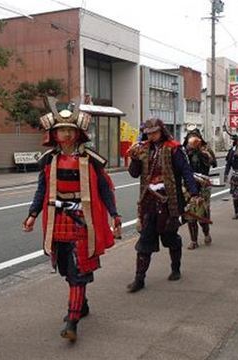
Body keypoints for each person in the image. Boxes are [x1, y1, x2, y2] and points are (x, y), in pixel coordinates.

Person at [23, 100, 121, 342]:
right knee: (68, 270)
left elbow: (104, 190)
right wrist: (32, 214)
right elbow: (41, 190)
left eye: (69, 130)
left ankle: (72, 321)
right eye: (61, 130)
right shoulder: (48, 160)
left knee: (78, 272)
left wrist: (115, 214)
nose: (65, 134)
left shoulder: (91, 160)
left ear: (78, 133)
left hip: (82, 222)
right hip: (57, 221)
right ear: (54, 134)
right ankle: (83, 304)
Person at [126, 118, 199, 293]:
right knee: (145, 240)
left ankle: (175, 268)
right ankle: (139, 278)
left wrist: (194, 192)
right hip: (148, 201)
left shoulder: (174, 148)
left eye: (155, 132)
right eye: (148, 133)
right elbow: (134, 174)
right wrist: (134, 159)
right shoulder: (142, 149)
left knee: (170, 237)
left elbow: (186, 171)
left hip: (168, 201)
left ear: (162, 131)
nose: (152, 136)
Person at [182, 128, 217, 249]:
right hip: (187, 186)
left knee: (203, 212)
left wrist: (201, 153)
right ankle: (193, 240)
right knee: (190, 213)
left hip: (203, 186)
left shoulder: (206, 150)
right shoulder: (183, 152)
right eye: (190, 137)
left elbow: (213, 163)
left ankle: (206, 233)